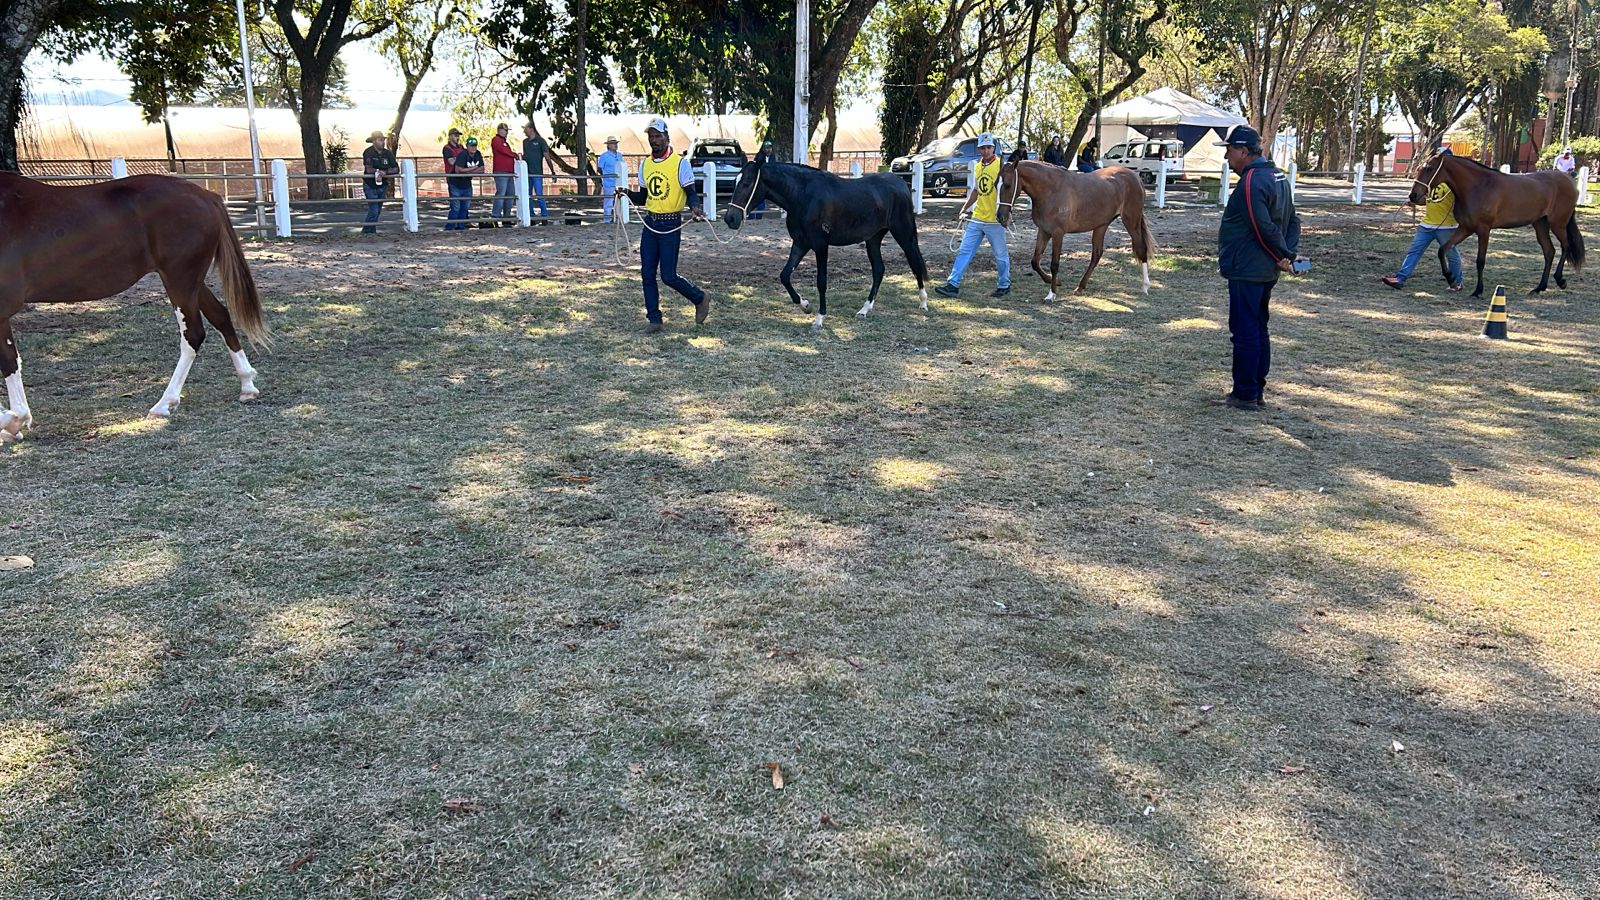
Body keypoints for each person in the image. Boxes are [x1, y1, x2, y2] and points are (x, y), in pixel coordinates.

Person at [1212, 124, 1303, 410]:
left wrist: (1285, 254)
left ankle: (1245, 393)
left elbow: (1261, 225)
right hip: (1263, 267)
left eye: (1229, 151)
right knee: (1258, 328)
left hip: (1248, 267)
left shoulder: (1251, 181)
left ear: (1243, 151)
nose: (1227, 157)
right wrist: (1286, 254)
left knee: (1245, 330)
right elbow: (1293, 221)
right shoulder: (1278, 177)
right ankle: (1255, 389)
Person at [616, 116, 712, 334]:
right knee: (647, 273)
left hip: (670, 224)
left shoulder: (680, 163)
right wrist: (627, 193)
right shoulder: (645, 164)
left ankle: (700, 297)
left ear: (666, 137)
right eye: (651, 136)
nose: (654, 140)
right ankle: (655, 320)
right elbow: (643, 198)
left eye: (658, 136)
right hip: (650, 224)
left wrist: (695, 208)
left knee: (668, 275)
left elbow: (690, 193)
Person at [933, 132, 1010, 299]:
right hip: (977, 217)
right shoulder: (977, 166)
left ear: (993, 148)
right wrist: (965, 207)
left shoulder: (1002, 166)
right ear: (979, 149)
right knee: (964, 251)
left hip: (994, 220)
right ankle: (953, 284)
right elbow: (976, 190)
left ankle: (1004, 284)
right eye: (983, 148)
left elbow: (1007, 192)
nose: (985, 151)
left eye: (988, 147)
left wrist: (1006, 214)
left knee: (1000, 254)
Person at [1383, 147, 1463, 291]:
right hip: (1427, 224)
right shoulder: (1432, 180)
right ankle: (1400, 278)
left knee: (1451, 254)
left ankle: (1457, 283)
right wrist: (1415, 202)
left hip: (1446, 227)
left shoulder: (1455, 183)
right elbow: (1429, 200)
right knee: (1414, 251)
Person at [360, 131, 399, 234]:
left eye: (383, 140)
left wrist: (385, 172)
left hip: (383, 185)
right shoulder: (368, 152)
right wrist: (378, 171)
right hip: (370, 185)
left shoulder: (387, 153)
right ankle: (367, 232)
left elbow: (396, 168)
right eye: (380, 140)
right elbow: (368, 169)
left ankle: (370, 232)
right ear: (374, 141)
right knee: (374, 210)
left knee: (378, 210)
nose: (382, 142)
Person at [449, 136, 485, 230]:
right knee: (456, 208)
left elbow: (482, 169)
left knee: (465, 207)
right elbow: (458, 170)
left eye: (475, 146)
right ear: (467, 146)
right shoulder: (462, 154)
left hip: (467, 183)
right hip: (455, 184)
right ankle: (449, 227)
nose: (473, 148)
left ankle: (460, 227)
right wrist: (473, 169)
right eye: (471, 146)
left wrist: (467, 171)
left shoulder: (478, 154)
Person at [489, 122, 520, 225]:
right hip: (501, 171)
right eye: (505, 130)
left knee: (510, 194)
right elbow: (504, 151)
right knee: (501, 193)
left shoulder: (505, 142)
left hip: (509, 172)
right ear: (500, 130)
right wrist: (515, 155)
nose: (507, 133)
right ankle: (495, 216)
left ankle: (506, 217)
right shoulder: (496, 140)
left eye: (507, 131)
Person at [522, 124, 550, 218]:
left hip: (537, 172)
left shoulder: (541, 141)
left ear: (531, 129)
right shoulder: (525, 142)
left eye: (525, 129)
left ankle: (544, 215)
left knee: (539, 194)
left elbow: (546, 156)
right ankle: (530, 215)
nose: (524, 131)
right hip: (527, 173)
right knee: (528, 195)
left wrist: (552, 169)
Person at [441, 128, 466, 230]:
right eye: (455, 135)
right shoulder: (447, 148)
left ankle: (461, 225)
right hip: (453, 178)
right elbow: (451, 161)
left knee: (464, 204)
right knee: (456, 206)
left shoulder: (461, 147)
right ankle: (450, 226)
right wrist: (462, 158)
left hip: (463, 177)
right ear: (450, 136)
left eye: (458, 136)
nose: (457, 137)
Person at [597, 135, 624, 223]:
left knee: (619, 201)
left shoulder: (619, 155)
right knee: (608, 201)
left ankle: (618, 218)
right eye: (613, 143)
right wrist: (605, 176)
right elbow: (599, 168)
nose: (615, 145)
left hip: (619, 182)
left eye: (615, 143)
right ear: (608, 145)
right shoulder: (604, 156)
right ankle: (607, 220)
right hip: (609, 182)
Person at [749, 139, 773, 219]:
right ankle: (751, 216)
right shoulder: (759, 156)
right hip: (759, 180)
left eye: (770, 148)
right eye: (767, 148)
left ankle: (759, 216)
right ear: (763, 149)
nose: (768, 149)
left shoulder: (773, 157)